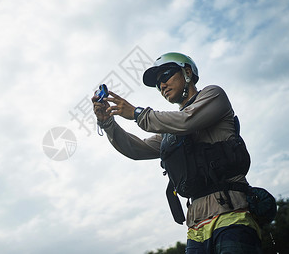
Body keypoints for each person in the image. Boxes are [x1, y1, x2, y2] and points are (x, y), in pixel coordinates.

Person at [92, 52, 262, 254]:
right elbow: (135, 149)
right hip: (196, 225)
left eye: (165, 76)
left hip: (232, 215)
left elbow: (187, 121)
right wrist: (107, 122)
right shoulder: (170, 132)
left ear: (187, 72)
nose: (161, 85)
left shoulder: (214, 95)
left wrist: (137, 113)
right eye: (157, 84)